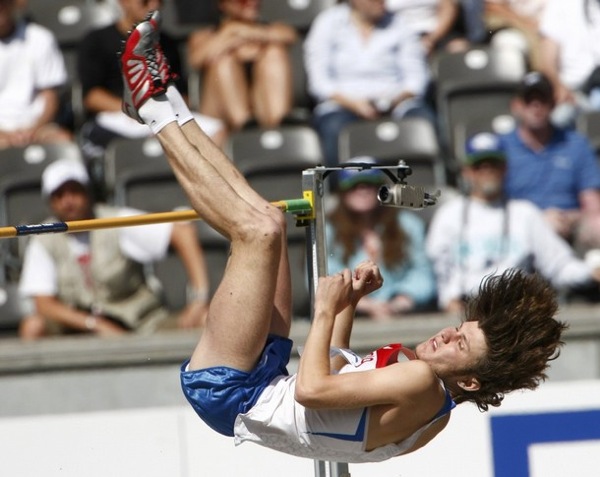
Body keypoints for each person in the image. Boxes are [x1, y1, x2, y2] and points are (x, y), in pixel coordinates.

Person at [118, 12, 567, 463]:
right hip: (269, 374)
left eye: (459, 344)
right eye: (459, 329)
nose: (447, 334)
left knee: (258, 231)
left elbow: (314, 389)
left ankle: (153, 108)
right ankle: (167, 98)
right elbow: (335, 367)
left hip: (232, 393)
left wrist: (326, 308)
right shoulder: (428, 398)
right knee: (267, 219)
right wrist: (348, 305)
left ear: (470, 381)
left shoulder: (422, 383)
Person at [18, 158, 210, 339]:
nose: (68, 200)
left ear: (88, 192)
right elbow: (43, 304)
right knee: (33, 327)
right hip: (79, 331)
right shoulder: (43, 239)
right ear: (50, 201)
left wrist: (199, 299)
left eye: (74, 191)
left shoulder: (114, 221)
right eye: (59, 194)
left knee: (207, 320)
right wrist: (94, 324)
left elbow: (182, 232)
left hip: (141, 324)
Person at [427, 132, 600, 313]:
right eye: (479, 166)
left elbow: (559, 264)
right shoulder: (448, 215)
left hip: (513, 312)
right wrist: (448, 300)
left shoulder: (525, 213)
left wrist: (591, 272)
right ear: (467, 172)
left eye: (494, 165)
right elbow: (439, 270)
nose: (487, 172)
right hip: (464, 308)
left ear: (505, 169)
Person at [77, 0, 225, 177]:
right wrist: (135, 110)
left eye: (159, 1)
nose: (154, 6)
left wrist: (165, 114)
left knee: (217, 129)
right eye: (145, 1)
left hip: (164, 112)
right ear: (124, 3)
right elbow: (92, 96)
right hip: (121, 115)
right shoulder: (97, 40)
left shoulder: (166, 42)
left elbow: (182, 95)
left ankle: (205, 184)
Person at [304, 0, 434, 168]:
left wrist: (393, 101)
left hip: (396, 103)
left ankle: (418, 190)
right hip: (343, 104)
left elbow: (416, 79)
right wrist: (354, 104)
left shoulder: (400, 24)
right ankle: (340, 190)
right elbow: (319, 82)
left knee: (423, 121)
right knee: (332, 128)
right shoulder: (327, 23)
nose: (383, 2)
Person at [500, 71, 600, 256]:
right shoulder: (502, 147)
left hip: (570, 222)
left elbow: (592, 204)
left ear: (553, 104)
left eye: (542, 99)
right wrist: (537, 220)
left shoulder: (575, 144)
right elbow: (494, 205)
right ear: (516, 106)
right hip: (520, 227)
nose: (536, 106)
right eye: (529, 100)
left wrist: (571, 218)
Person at [327, 159, 437, 319]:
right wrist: (365, 304)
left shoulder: (408, 225)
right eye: (354, 185)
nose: (362, 190)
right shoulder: (329, 230)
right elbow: (323, 278)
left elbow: (423, 273)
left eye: (370, 185)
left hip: (401, 314)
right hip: (349, 315)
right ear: (342, 192)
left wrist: (400, 301)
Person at [186, 0, 298, 132]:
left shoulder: (270, 29)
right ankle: (243, 125)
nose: (252, 3)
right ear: (223, 5)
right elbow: (196, 59)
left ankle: (279, 124)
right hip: (220, 116)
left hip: (260, 110)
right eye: (242, 0)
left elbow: (289, 35)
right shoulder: (205, 35)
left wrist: (243, 31)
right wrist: (229, 32)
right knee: (224, 62)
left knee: (275, 53)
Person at [0, 0, 72, 149]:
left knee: (64, 144)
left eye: (3, 3)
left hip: (39, 128)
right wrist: (5, 135)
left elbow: (50, 97)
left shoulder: (41, 38)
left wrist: (33, 130)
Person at [539, 0, 600, 124]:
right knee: (559, 119)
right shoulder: (561, 4)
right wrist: (559, 87)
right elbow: (547, 62)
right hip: (575, 93)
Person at [385, 0, 470, 56]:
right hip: (397, 34)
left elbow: (448, 9)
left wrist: (431, 39)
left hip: (435, 31)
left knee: (459, 48)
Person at [484, 0, 547, 70]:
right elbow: (492, 6)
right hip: (516, 24)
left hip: (550, 27)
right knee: (508, 40)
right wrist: (524, 22)